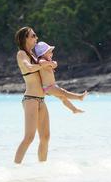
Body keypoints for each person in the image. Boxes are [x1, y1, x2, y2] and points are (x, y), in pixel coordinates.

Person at [14, 27, 57, 163]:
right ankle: (15, 170)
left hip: (41, 100)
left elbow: (45, 74)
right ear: (25, 38)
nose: (36, 38)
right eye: (33, 35)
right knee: (29, 137)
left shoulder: (34, 55)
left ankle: (42, 169)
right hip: (30, 99)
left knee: (45, 137)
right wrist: (45, 65)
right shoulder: (22, 54)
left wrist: (50, 64)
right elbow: (29, 67)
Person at [35, 41, 88, 114]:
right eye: (50, 52)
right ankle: (79, 97)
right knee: (63, 92)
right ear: (43, 53)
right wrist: (51, 63)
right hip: (48, 87)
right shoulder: (41, 60)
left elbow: (54, 65)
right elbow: (41, 63)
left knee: (63, 98)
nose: (52, 54)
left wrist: (52, 64)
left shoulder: (47, 61)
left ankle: (74, 109)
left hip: (52, 86)